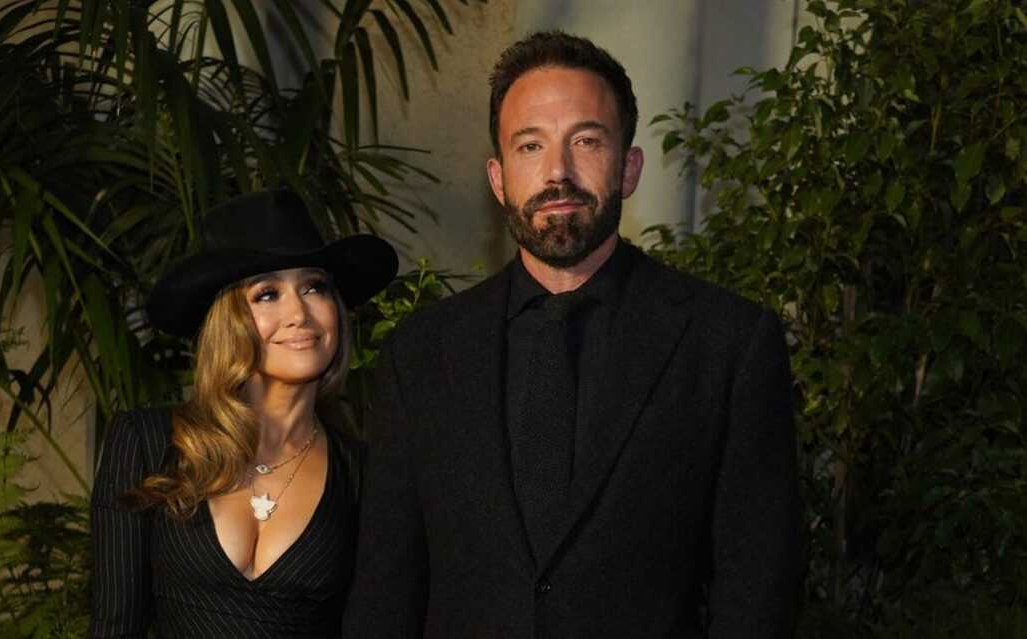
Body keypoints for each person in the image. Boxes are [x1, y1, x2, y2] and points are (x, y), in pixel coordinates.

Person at [344, 31, 801, 638]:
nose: (557, 172)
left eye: (586, 141)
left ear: (629, 168)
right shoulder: (421, 354)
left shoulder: (728, 344)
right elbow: (385, 592)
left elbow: (758, 591)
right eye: (530, 145)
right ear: (498, 178)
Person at [90, 189, 397, 638]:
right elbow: (114, 626)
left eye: (315, 287)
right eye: (268, 294)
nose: (299, 313)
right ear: (227, 321)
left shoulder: (365, 475)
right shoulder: (146, 442)